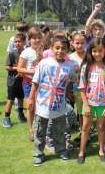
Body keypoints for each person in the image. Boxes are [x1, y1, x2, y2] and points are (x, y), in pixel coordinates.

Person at [27, 36, 77, 166]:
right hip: (42, 106)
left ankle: (61, 150)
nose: (60, 51)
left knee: (60, 130)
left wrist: (71, 92)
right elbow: (35, 82)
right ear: (51, 48)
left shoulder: (70, 66)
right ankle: (38, 153)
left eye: (63, 48)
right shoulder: (44, 63)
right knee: (39, 131)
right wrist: (31, 98)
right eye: (57, 48)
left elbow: (72, 80)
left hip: (59, 106)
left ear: (68, 49)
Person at [77, 38, 105, 164]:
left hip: (102, 104)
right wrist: (86, 105)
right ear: (90, 52)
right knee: (85, 128)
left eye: (100, 51)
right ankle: (81, 151)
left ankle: (101, 150)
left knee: (101, 128)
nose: (97, 54)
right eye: (94, 51)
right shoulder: (86, 67)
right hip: (89, 104)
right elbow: (82, 88)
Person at [17, 26, 43, 141]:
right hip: (29, 83)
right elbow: (19, 69)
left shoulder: (45, 51)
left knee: (41, 107)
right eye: (34, 38)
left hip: (43, 84)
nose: (36, 40)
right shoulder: (26, 52)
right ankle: (31, 130)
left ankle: (41, 128)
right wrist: (32, 71)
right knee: (31, 107)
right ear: (29, 40)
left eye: (39, 38)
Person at [2, 33, 27, 127]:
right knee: (10, 99)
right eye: (15, 42)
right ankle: (6, 118)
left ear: (24, 42)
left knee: (21, 98)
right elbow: (6, 66)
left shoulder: (27, 53)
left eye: (19, 41)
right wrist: (17, 68)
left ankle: (21, 114)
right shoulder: (12, 53)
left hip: (23, 80)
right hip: (12, 80)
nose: (17, 43)